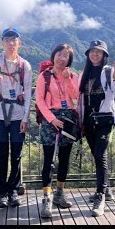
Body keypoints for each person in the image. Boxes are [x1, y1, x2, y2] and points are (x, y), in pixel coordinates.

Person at [78, 40, 115, 217]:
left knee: (99, 154)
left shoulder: (108, 72)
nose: (95, 54)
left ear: (104, 55)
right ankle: (107, 189)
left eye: (99, 51)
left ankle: (100, 195)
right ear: (88, 55)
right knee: (98, 155)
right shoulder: (85, 73)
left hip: (104, 121)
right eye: (92, 51)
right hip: (89, 121)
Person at [0, 27, 32, 208]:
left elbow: (28, 93)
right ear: (2, 43)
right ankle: (0, 193)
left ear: (19, 43)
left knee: (16, 155)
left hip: (17, 115)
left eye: (14, 40)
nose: (11, 43)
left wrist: (25, 118)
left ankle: (13, 191)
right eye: (8, 39)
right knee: (1, 154)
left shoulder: (25, 66)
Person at [35, 44, 79, 218]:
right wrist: (51, 119)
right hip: (50, 119)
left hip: (68, 118)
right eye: (60, 54)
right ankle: (47, 196)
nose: (62, 58)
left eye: (66, 56)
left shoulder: (73, 75)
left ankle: (60, 192)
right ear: (54, 56)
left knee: (64, 157)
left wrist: (68, 79)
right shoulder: (44, 76)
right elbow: (39, 99)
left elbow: (75, 97)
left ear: (69, 59)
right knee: (49, 159)